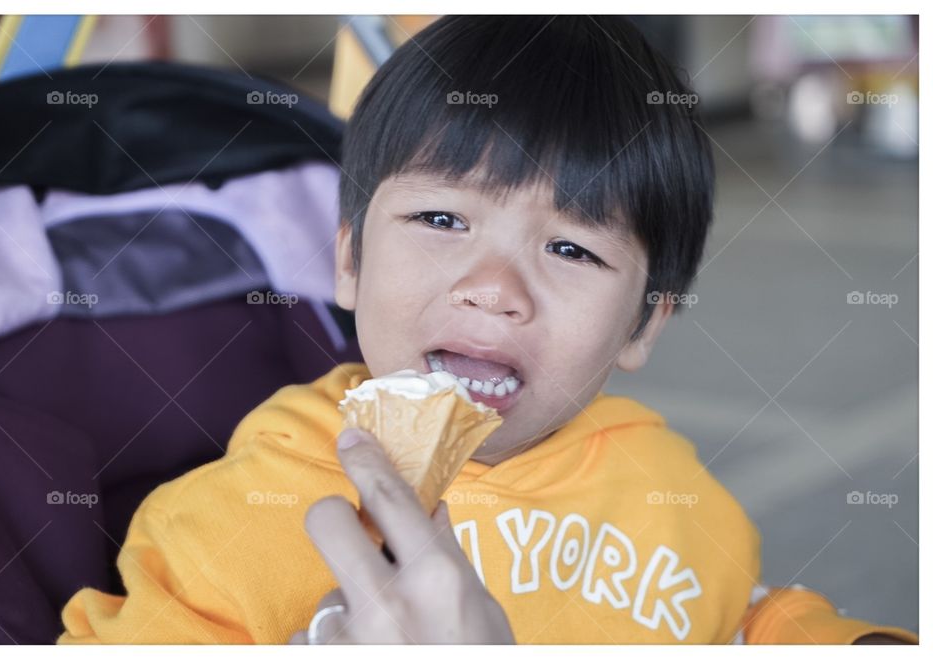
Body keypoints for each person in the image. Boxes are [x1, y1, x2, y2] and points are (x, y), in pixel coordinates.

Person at [58, 16, 916, 644]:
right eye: (440, 219)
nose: (494, 288)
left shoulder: (665, 480)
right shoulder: (235, 520)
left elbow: (740, 615)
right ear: (350, 261)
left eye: (573, 247)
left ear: (643, 323)